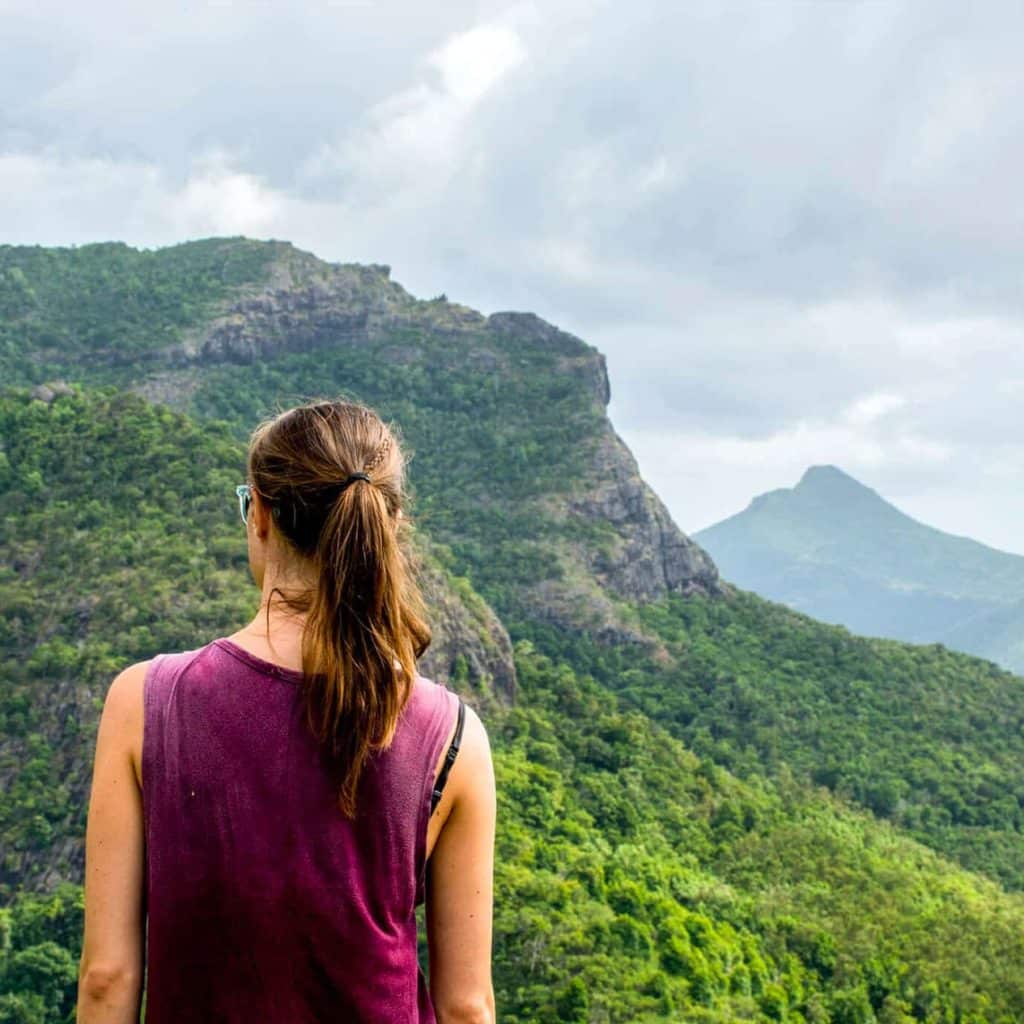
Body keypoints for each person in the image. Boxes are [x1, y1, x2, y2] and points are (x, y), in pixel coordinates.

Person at [76, 399, 497, 1023]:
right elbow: (466, 1005)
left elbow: (108, 979)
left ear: (262, 516)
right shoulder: (451, 735)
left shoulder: (145, 700)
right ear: (389, 523)